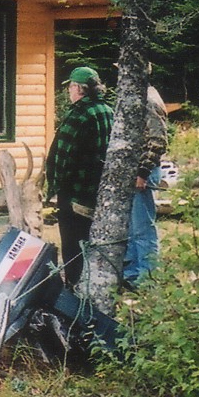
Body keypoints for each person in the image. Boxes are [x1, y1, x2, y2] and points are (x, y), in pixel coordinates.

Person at [44, 65, 113, 290]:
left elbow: (63, 156)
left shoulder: (79, 115)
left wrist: (54, 188)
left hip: (75, 193)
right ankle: (94, 283)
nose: (69, 92)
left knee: (73, 245)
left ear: (78, 88)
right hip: (98, 191)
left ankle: (74, 287)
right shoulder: (108, 111)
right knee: (92, 241)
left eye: (71, 87)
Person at [124, 86, 170, 287]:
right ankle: (132, 275)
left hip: (143, 172)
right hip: (132, 172)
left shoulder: (149, 101)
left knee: (143, 229)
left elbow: (158, 141)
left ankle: (148, 277)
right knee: (132, 228)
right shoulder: (135, 96)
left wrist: (142, 173)